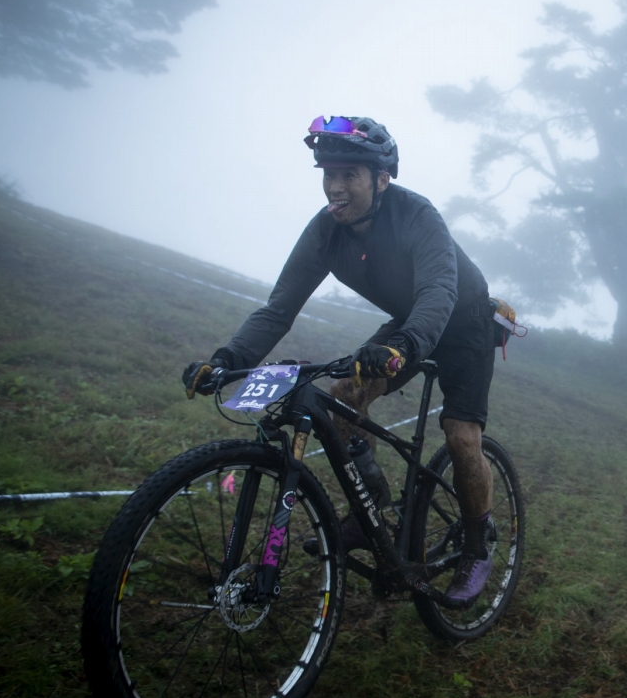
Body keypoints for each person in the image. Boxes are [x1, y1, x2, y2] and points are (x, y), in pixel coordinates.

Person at [183, 115, 497, 606]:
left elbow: (439, 289)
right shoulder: (326, 230)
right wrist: (227, 358)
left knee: (461, 436)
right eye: (328, 174)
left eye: (349, 175)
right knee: (343, 397)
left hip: (464, 320)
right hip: (410, 320)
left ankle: (478, 546)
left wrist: (404, 347)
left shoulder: (417, 215)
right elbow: (279, 307)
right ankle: (377, 506)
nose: (336, 187)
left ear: (382, 178)